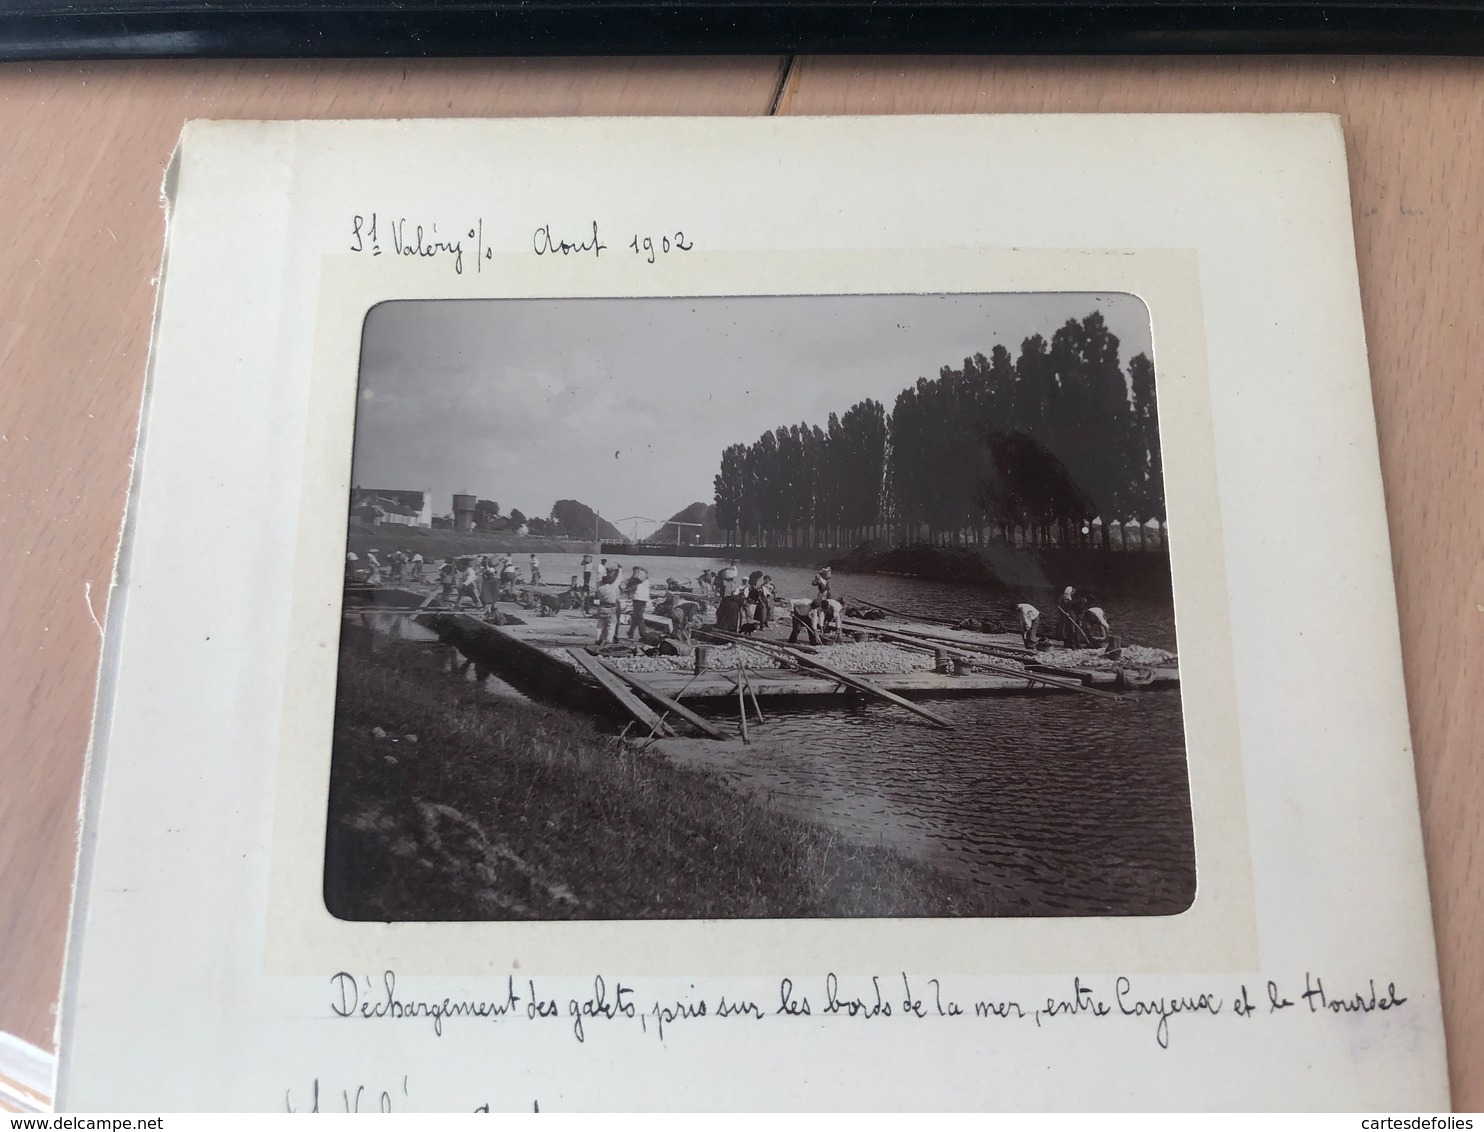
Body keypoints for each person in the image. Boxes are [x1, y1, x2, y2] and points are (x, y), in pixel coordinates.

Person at [593, 566, 622, 645]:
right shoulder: (612, 587)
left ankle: (597, 639)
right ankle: (609, 641)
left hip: (601, 607)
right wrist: (620, 569)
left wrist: (601, 568)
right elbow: (619, 579)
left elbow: (598, 578)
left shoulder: (599, 587)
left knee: (600, 625)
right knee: (611, 625)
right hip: (611, 608)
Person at [623, 567, 650, 639]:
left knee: (639, 617)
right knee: (637, 616)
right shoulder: (646, 581)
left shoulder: (636, 582)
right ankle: (631, 632)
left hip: (638, 599)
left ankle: (643, 634)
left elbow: (629, 587)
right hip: (644, 599)